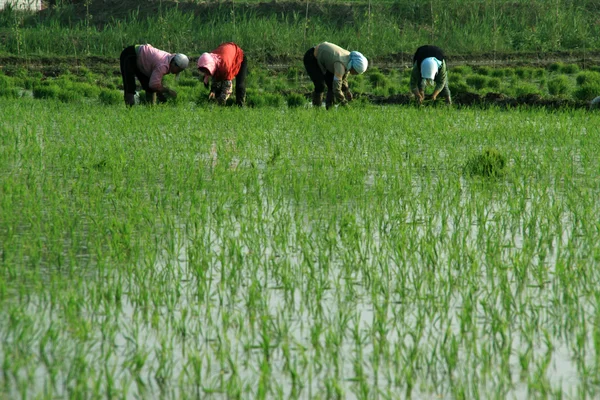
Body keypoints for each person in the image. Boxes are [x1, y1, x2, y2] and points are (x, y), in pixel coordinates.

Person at [303, 42, 368, 109]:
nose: (355, 74)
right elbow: (336, 89)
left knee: (331, 85)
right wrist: (344, 103)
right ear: (353, 67)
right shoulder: (340, 65)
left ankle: (330, 109)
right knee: (320, 85)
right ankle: (316, 109)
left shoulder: (350, 59)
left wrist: (346, 90)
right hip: (312, 57)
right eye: (356, 72)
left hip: (326, 60)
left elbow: (343, 78)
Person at [119, 44, 189, 106]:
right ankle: (130, 110)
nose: (177, 73)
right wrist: (167, 91)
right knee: (130, 86)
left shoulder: (170, 59)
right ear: (174, 64)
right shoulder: (163, 65)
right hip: (130, 54)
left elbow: (154, 85)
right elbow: (154, 85)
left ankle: (151, 109)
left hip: (142, 59)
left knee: (149, 88)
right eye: (178, 70)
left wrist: (161, 94)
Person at [197, 42, 247, 106]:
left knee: (240, 84)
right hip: (227, 55)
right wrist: (213, 90)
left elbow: (227, 87)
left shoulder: (224, 67)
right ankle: (216, 99)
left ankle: (240, 106)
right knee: (218, 84)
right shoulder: (211, 59)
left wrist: (220, 102)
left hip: (239, 56)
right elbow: (215, 76)